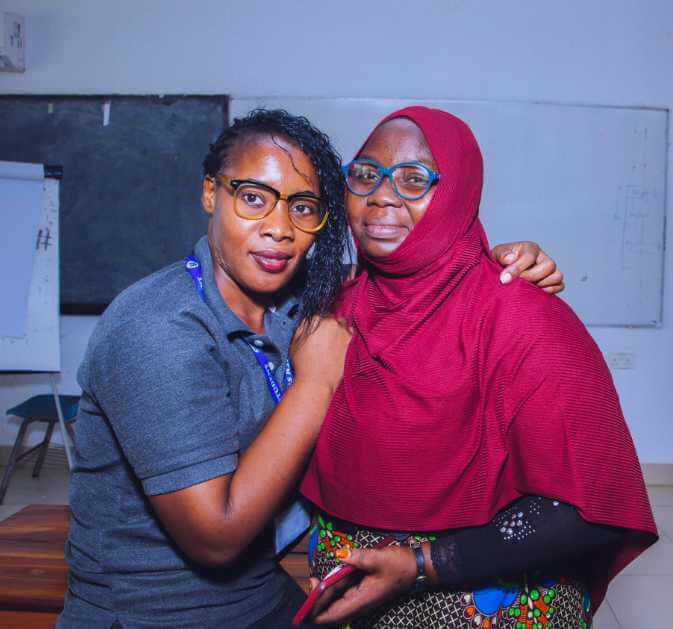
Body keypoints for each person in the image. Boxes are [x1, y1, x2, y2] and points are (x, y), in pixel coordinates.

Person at [58, 109, 565, 629]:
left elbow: (411, 275)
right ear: (211, 193)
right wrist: (317, 382)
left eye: (302, 207)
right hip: (157, 612)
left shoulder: (302, 298)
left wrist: (493, 263)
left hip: (260, 595)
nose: (278, 229)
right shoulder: (157, 330)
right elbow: (215, 538)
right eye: (253, 197)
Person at [299, 107, 658, 629]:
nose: (381, 195)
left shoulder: (526, 318)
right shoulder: (333, 307)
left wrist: (423, 564)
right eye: (365, 174)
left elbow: (591, 508)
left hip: (485, 601)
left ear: (457, 194)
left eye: (413, 179)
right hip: (347, 594)